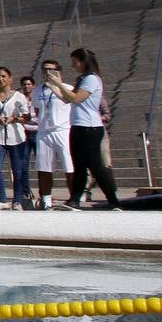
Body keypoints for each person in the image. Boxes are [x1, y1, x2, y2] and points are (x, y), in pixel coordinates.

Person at [47, 48, 119, 209]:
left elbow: (77, 98)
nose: (73, 66)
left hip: (90, 127)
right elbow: (68, 99)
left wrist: (59, 83)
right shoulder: (83, 79)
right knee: (78, 165)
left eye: (75, 62)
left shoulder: (92, 79)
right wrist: (54, 88)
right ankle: (74, 199)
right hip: (78, 126)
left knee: (95, 166)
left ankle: (113, 199)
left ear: (84, 61)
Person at [0, 66, 31, 210]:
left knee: (18, 170)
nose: (0, 79)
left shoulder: (19, 96)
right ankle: (2, 199)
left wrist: (14, 118)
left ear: (10, 78)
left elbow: (26, 117)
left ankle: (18, 200)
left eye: (3, 76)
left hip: (16, 137)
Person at [32, 57, 74, 212]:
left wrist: (57, 84)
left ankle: (73, 198)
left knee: (69, 167)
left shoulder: (67, 87)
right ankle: (46, 199)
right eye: (44, 69)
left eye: (51, 69)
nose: (47, 72)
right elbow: (37, 110)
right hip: (44, 132)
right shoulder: (38, 90)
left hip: (63, 130)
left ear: (58, 71)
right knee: (44, 168)